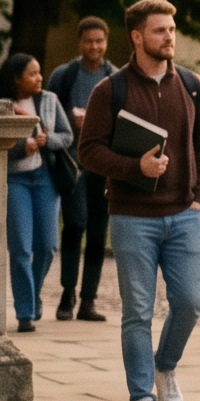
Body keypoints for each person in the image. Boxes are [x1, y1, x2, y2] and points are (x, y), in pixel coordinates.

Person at [76, 0, 200, 401]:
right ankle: (141, 397)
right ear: (137, 37)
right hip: (131, 217)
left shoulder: (192, 85)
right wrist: (134, 167)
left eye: (171, 29)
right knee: (137, 310)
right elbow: (89, 152)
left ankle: (165, 365)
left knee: (190, 302)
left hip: (184, 215)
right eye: (160, 31)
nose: (169, 37)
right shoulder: (110, 90)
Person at [48, 17, 121, 321]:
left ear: (106, 42)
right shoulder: (64, 75)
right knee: (75, 225)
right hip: (74, 165)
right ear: (81, 43)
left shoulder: (116, 78)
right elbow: (47, 111)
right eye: (89, 41)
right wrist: (71, 116)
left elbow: (126, 121)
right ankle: (67, 294)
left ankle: (88, 300)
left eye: (99, 41)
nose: (95, 46)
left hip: (104, 166)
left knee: (97, 231)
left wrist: (96, 120)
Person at [0, 52, 72, 335]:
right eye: (32, 74)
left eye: (39, 72)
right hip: (16, 180)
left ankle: (33, 293)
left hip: (45, 179)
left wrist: (46, 140)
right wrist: (21, 148)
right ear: (16, 79)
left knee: (48, 246)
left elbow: (66, 136)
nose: (39, 78)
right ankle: (25, 313)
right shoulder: (2, 106)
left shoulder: (50, 101)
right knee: (20, 249)